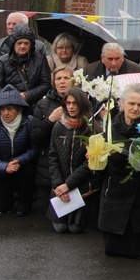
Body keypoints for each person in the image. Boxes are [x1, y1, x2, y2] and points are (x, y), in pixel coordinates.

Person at [97, 83, 140, 258]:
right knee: (114, 250)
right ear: (122, 103)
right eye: (131, 103)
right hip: (116, 193)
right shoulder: (109, 130)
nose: (135, 108)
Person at [46, 87, 99, 233]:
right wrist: (59, 185)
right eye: (68, 103)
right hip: (61, 185)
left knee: (75, 228)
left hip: (81, 187)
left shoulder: (92, 129)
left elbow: (89, 163)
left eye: (74, 103)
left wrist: (69, 184)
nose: (71, 107)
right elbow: (53, 156)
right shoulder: (58, 127)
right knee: (60, 227)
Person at [0, 85, 37, 215]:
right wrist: (5, 166)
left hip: (21, 166)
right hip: (0, 169)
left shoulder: (29, 122)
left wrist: (19, 160)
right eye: (2, 109)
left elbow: (34, 148)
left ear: (19, 109)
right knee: (2, 207)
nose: (5, 113)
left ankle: (24, 201)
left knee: (29, 171)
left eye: (10, 109)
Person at [31, 65, 74, 198]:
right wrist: (49, 121)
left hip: (73, 160)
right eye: (58, 78)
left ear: (74, 81)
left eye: (66, 78)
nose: (62, 81)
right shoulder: (42, 104)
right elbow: (35, 137)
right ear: (53, 82)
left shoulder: (83, 102)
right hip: (49, 162)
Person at [0, 24, 52, 108]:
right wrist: (12, 97)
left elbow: (46, 84)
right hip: (9, 105)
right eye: (19, 43)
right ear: (13, 44)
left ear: (31, 45)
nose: (22, 46)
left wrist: (27, 95)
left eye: (26, 43)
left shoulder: (40, 59)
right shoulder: (3, 61)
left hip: (34, 105)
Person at [0, 12, 46, 80]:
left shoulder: (39, 46)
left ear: (25, 26)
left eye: (14, 24)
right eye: (9, 24)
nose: (11, 27)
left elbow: (43, 72)